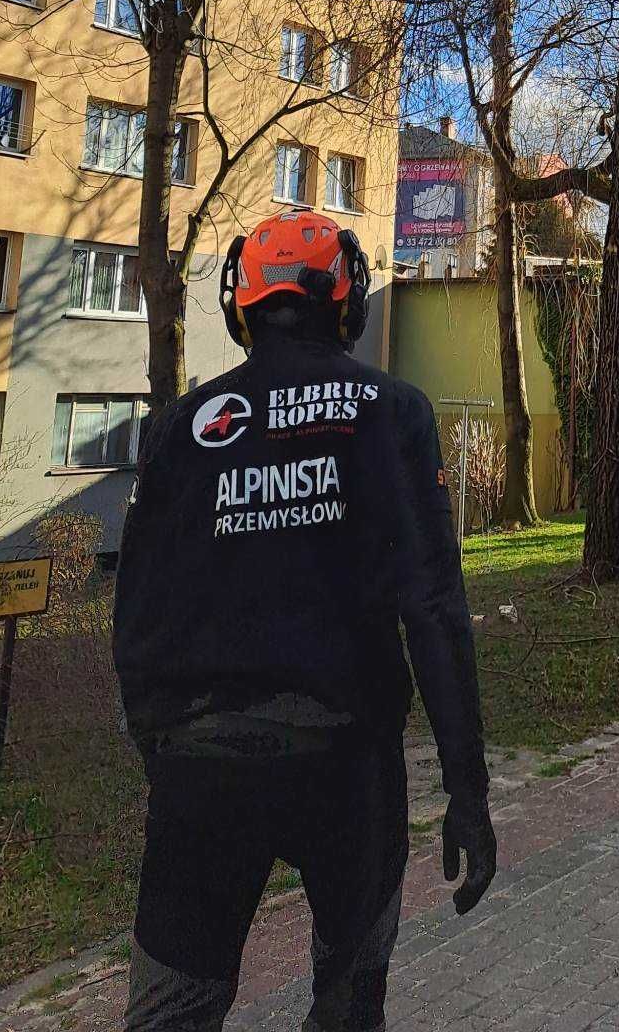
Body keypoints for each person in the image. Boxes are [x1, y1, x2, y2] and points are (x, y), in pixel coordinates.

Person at [113, 209, 496, 1032]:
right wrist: (467, 788)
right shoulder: (392, 410)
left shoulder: (185, 426)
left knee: (170, 1012)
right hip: (347, 771)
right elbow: (433, 608)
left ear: (241, 303)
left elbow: (135, 613)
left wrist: (164, 751)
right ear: (347, 298)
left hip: (203, 768)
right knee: (349, 1003)